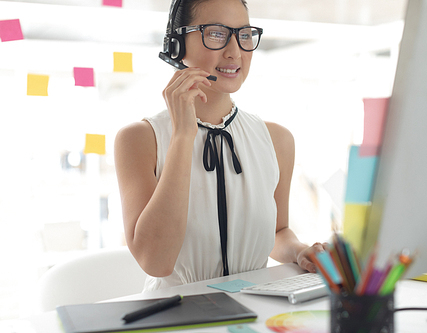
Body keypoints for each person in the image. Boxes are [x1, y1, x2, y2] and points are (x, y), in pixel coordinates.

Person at [114, 0, 327, 291]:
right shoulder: (139, 139)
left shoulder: (277, 140)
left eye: (244, 34)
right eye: (215, 33)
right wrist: (183, 136)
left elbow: (277, 232)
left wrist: (299, 251)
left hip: (255, 308)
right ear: (176, 43)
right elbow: (156, 261)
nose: (234, 51)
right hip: (175, 315)